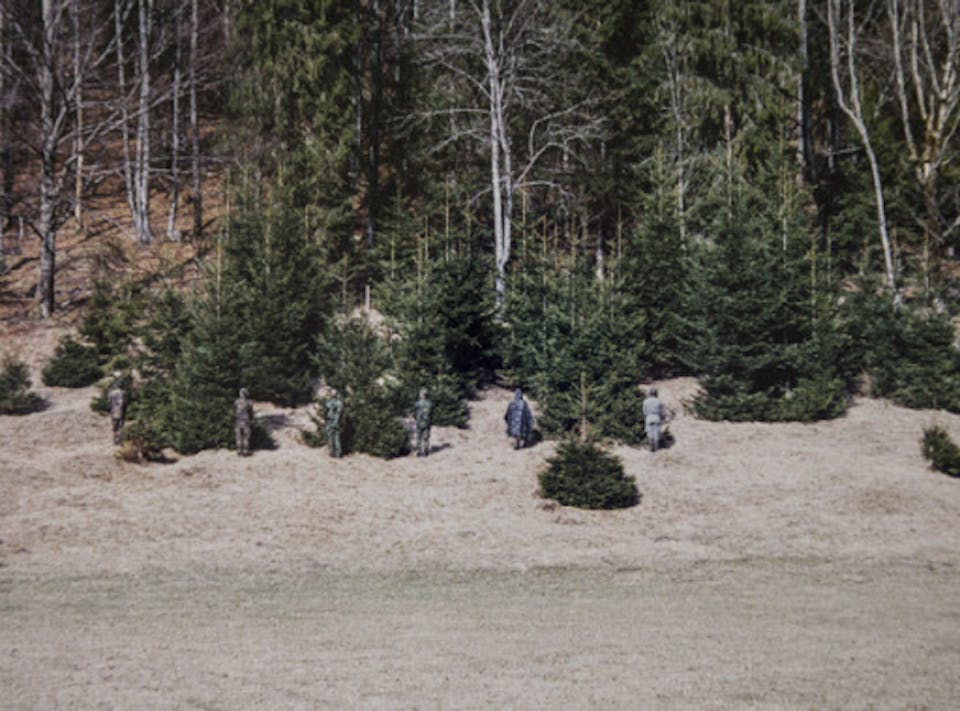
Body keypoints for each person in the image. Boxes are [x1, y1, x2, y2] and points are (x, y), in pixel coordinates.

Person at [642, 386, 666, 453]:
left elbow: (644, 412)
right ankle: (656, 449)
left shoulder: (646, 401)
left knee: (649, 433)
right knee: (656, 433)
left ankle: (651, 448)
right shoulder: (659, 401)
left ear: (650, 393)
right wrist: (663, 418)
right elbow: (662, 412)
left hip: (649, 417)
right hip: (656, 417)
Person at [107, 372, 127, 446]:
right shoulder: (124, 393)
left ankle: (115, 440)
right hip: (121, 410)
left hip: (113, 411)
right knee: (121, 426)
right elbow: (125, 402)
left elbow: (109, 403)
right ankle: (120, 440)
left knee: (114, 426)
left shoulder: (111, 393)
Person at [324, 388, 344, 458]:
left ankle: (333, 453)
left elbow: (338, 414)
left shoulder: (330, 402)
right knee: (335, 438)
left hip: (332, 421)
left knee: (332, 438)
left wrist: (334, 422)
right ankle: (336, 454)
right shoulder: (339, 403)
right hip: (333, 421)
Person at [413, 388, 433, 457]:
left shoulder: (417, 404)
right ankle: (426, 451)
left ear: (421, 395)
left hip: (419, 422)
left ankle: (418, 451)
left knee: (419, 437)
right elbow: (432, 414)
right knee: (426, 437)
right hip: (427, 422)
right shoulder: (429, 404)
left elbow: (414, 413)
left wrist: (416, 418)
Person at [235, 387, 254, 456]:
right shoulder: (249, 402)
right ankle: (246, 451)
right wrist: (251, 419)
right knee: (246, 436)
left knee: (239, 436)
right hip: (246, 420)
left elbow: (235, 410)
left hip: (238, 420)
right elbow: (251, 412)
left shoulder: (237, 402)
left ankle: (239, 450)